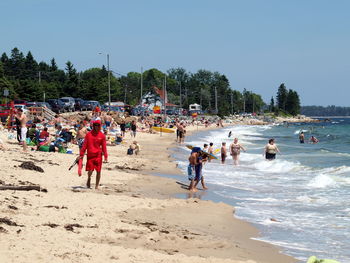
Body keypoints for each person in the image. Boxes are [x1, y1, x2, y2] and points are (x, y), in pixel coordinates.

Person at [78, 120, 108, 189]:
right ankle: (89, 178)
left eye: (98, 125)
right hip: (90, 155)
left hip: (98, 155)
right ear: (93, 126)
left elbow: (104, 147)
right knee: (90, 170)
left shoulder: (102, 136)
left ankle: (96, 186)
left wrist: (106, 156)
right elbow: (84, 145)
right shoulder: (88, 135)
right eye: (95, 125)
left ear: (100, 126)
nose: (96, 127)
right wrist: (81, 154)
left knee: (98, 171)